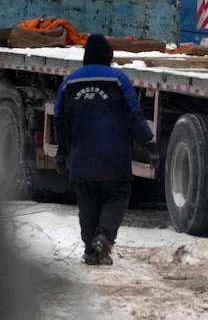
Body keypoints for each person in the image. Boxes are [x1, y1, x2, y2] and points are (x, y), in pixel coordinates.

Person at [54, 33, 154, 266]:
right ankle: (105, 237)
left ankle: (90, 251)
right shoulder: (118, 79)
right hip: (114, 158)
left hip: (81, 159)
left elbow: (59, 118)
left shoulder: (70, 82)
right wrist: (149, 143)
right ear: (109, 56)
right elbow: (134, 114)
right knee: (116, 197)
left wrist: (62, 151)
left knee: (87, 203)